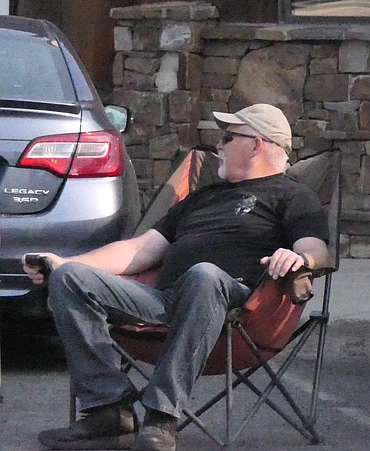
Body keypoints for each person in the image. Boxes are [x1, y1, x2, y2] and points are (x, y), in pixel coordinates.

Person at [24, 104, 329, 451]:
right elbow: (140, 250)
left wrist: (298, 257)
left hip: (237, 312)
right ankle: (108, 410)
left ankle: (162, 416)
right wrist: (64, 263)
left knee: (205, 275)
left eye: (227, 138)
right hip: (166, 300)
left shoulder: (293, 195)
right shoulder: (203, 197)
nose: (219, 146)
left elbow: (316, 248)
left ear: (256, 144)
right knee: (70, 278)